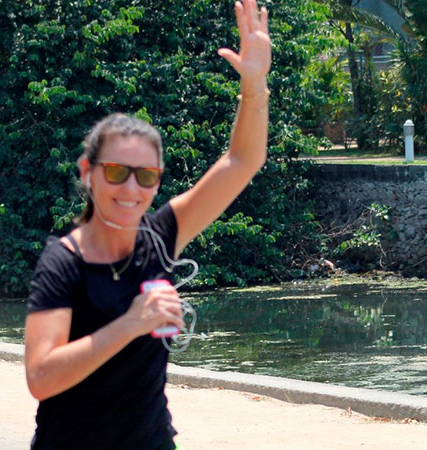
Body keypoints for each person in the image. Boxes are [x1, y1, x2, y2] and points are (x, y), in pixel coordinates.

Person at [24, 1, 271, 448]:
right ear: (89, 173)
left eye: (147, 176)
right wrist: (132, 324)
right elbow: (41, 377)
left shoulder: (159, 236)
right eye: (117, 172)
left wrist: (254, 85)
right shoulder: (63, 261)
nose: (131, 189)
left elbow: (241, 161)